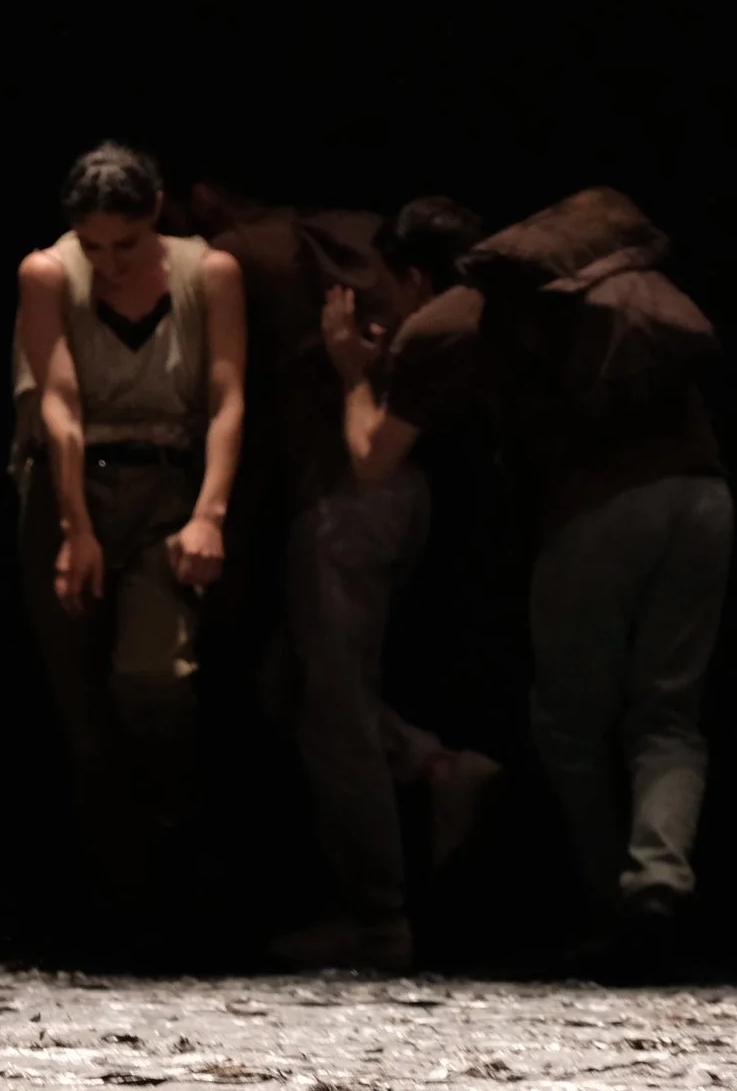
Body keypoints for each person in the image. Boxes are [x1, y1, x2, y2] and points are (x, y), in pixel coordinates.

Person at [458, 187, 730, 979]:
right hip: (704, 496)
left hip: (598, 512)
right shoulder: (640, 298)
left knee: (572, 726)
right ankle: (659, 881)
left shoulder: (516, 314)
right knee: (668, 712)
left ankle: (614, 904)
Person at [12, 143, 245, 954]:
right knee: (83, 711)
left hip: (168, 488)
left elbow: (228, 398)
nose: (109, 264)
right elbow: (61, 405)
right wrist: (75, 530)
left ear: (157, 215)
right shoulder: (49, 273)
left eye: (127, 244)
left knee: (155, 677)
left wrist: (210, 513)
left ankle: (181, 860)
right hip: (71, 488)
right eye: (94, 245)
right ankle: (119, 914)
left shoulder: (208, 272)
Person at [271, 196, 503, 970]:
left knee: (334, 712)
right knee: (293, 689)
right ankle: (435, 766)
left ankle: (378, 920)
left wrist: (350, 375)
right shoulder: (469, 322)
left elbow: (372, 458)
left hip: (368, 512)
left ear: (413, 277)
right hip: (406, 515)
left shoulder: (438, 329)